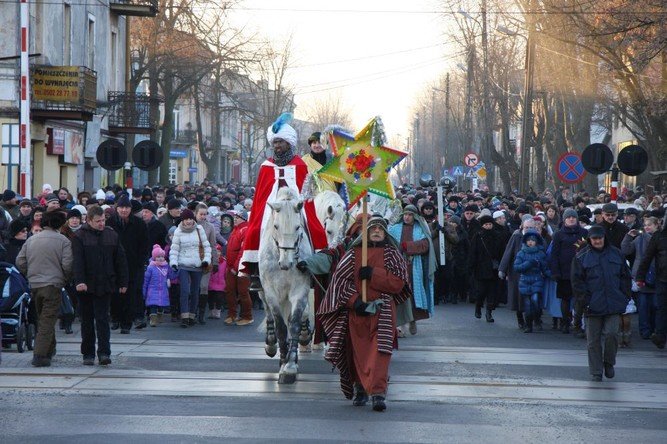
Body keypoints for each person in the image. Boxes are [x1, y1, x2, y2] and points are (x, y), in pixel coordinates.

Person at [318, 215, 411, 411]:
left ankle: (378, 393)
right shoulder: (353, 254)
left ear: (385, 233)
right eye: (373, 228)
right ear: (366, 232)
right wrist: (354, 301)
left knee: (381, 351)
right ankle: (360, 388)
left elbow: (398, 283)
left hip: (383, 309)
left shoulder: (393, 254)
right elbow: (339, 282)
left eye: (380, 229)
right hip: (357, 311)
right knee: (358, 351)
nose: (377, 231)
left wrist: (374, 274)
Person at [239, 113, 328, 290]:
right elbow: (261, 197)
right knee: (257, 228)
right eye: (275, 142)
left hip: (295, 206)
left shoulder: (300, 165)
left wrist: (299, 204)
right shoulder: (266, 166)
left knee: (314, 228)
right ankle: (256, 270)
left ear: (288, 143)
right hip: (272, 208)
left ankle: (315, 268)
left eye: (281, 142)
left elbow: (305, 193)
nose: (277, 145)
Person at [571, 225, 631, 381]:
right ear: (590, 240)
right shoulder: (582, 256)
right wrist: (585, 301)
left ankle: (609, 362)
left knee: (612, 334)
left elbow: (625, 277)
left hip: (614, 302)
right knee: (593, 341)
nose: (597, 241)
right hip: (592, 305)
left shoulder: (617, 254)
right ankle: (596, 371)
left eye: (600, 238)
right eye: (594, 238)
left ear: (604, 238)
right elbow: (577, 282)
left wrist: (624, 296)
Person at [72, 205, 128, 366]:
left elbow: (120, 260)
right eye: (98, 221)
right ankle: (88, 354)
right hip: (86, 285)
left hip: (105, 284)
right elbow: (77, 262)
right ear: (89, 220)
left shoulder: (111, 235)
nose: (101, 224)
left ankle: (104, 353)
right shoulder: (79, 236)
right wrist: (79, 281)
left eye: (103, 220)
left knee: (103, 320)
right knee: (87, 321)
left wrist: (123, 281)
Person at [16, 211, 73, 367]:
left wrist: (30, 274)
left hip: (35, 284)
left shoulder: (31, 240)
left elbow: (20, 261)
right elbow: (67, 265)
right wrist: (65, 278)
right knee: (47, 320)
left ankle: (50, 348)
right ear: (60, 224)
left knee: (44, 317)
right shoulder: (63, 241)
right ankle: (40, 355)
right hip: (53, 285)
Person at [388, 205, 435, 335]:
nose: (407, 217)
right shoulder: (394, 229)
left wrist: (407, 246)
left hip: (414, 266)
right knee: (398, 294)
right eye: (405, 214)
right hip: (397, 266)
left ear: (414, 216)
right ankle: (399, 325)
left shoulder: (420, 229)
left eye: (409, 214)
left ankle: (413, 320)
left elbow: (425, 245)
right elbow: (389, 243)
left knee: (413, 295)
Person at [106, 195, 150, 333]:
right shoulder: (110, 223)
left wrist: (141, 261)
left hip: (133, 263)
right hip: (114, 263)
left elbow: (145, 244)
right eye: (121, 207)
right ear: (116, 209)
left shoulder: (139, 223)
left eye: (126, 208)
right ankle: (116, 318)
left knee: (132, 293)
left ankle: (127, 322)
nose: (124, 210)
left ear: (131, 209)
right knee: (115, 293)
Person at [169, 208, 211, 328]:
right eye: (186, 219)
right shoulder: (178, 231)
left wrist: (206, 260)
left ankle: (192, 315)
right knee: (184, 291)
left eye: (190, 219)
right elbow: (174, 249)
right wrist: (173, 262)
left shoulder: (199, 229)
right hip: (183, 265)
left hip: (197, 264)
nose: (188, 221)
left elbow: (206, 247)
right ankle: (184, 317)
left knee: (195, 291)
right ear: (182, 220)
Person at [549, 208, 589, 335]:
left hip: (581, 272)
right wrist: (555, 272)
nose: (571, 219)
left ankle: (577, 324)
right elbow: (554, 255)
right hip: (564, 272)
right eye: (568, 217)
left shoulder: (584, 233)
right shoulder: (559, 234)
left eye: (573, 217)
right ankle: (565, 322)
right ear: (564, 219)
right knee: (565, 299)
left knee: (580, 299)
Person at [622, 216, 660, 342]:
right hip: (641, 275)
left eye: (650, 224)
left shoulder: (661, 239)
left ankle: (656, 329)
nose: (647, 227)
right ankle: (645, 331)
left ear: (656, 225)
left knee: (656, 305)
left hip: (657, 275)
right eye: (645, 225)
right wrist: (628, 237)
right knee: (643, 306)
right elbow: (626, 250)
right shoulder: (640, 239)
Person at [636, 215, 667, 350]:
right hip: (663, 279)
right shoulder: (659, 237)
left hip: (662, 277)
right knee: (661, 308)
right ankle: (660, 335)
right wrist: (640, 277)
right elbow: (647, 257)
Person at [469, 215, 504, 322]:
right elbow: (473, 252)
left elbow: (502, 252)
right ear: (482, 225)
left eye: (490, 224)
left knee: (492, 292)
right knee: (481, 291)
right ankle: (478, 306)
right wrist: (471, 267)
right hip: (481, 268)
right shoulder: (478, 236)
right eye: (486, 224)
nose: (488, 226)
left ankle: (489, 313)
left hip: (494, 268)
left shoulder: (498, 236)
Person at [513, 230, 549, 333]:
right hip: (525, 281)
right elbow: (517, 267)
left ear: (536, 242)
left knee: (536, 301)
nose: (530, 242)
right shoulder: (521, 253)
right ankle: (528, 325)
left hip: (537, 280)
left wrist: (552, 275)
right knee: (528, 305)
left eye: (532, 240)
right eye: (528, 240)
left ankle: (537, 319)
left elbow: (545, 268)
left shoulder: (541, 253)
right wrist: (529, 264)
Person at [224, 210, 253, 325]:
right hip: (231, 267)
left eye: (238, 217)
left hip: (241, 268)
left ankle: (247, 316)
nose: (235, 219)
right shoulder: (235, 230)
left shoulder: (245, 230)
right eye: (235, 217)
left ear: (244, 219)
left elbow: (242, 252)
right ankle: (232, 315)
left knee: (243, 292)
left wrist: (235, 267)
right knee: (229, 291)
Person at [194, 203, 219, 324]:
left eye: (205, 214)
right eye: (201, 214)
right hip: (192, 261)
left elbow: (213, 245)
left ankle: (201, 314)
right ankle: (192, 312)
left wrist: (215, 262)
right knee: (193, 288)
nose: (203, 216)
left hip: (206, 260)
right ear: (196, 214)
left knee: (203, 287)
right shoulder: (190, 225)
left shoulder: (210, 227)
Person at [143, 244, 174, 327]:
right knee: (153, 305)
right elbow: (146, 280)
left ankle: (159, 315)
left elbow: (170, 276)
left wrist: (175, 271)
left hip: (163, 290)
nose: (160, 258)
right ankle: (153, 319)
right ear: (154, 258)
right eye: (158, 257)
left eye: (162, 256)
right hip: (152, 289)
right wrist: (144, 290)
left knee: (161, 305)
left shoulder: (166, 267)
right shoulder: (150, 268)